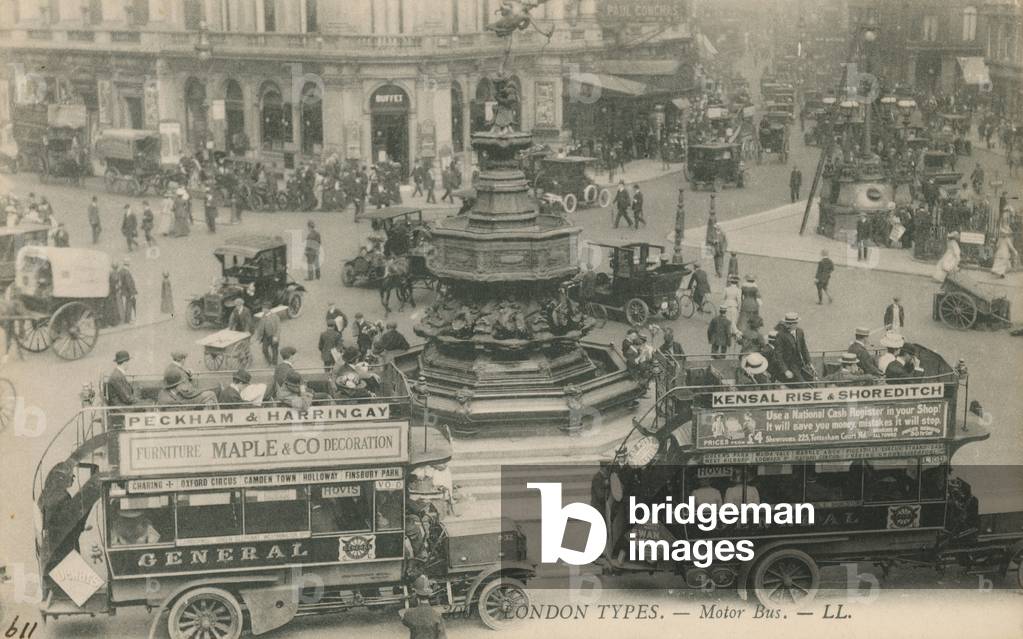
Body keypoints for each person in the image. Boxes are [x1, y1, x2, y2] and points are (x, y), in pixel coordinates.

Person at [399, 574, 447, 639]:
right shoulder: (437, 616)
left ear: (416, 595)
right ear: (429, 595)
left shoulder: (409, 614)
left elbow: (404, 621)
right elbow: (442, 637)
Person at [774, 312, 813, 384]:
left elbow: (804, 348)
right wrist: (785, 370)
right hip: (789, 366)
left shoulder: (800, 332)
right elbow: (778, 355)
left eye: (790, 324)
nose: (787, 326)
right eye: (787, 323)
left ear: (794, 324)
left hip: (800, 364)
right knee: (802, 384)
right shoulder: (781, 335)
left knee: (811, 379)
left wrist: (809, 363)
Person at [118, 258, 137, 323]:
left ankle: (125, 319)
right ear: (128, 264)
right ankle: (128, 319)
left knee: (124, 306)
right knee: (129, 306)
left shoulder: (120, 271)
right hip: (128, 292)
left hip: (123, 292)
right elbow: (129, 283)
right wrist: (132, 293)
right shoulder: (127, 272)